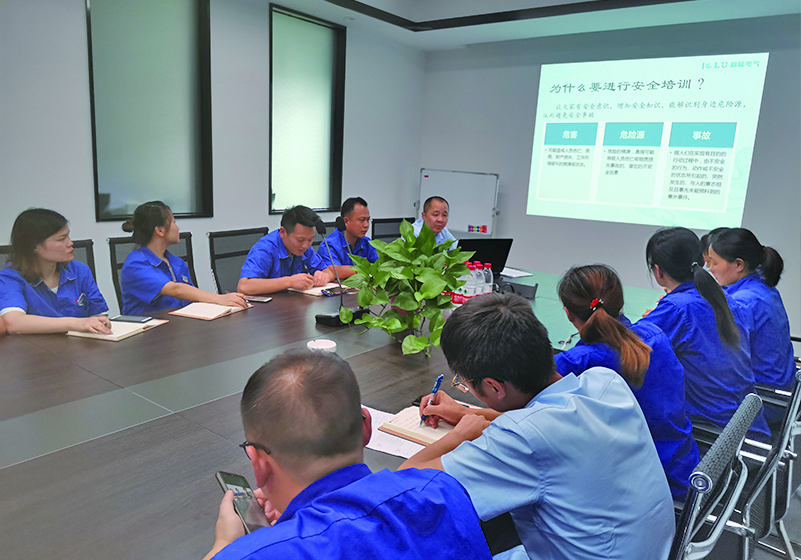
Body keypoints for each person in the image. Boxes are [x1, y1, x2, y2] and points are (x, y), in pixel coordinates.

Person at [400, 294, 675, 560]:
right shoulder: (605, 382)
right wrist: (466, 412)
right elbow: (548, 419)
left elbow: (403, 483)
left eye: (464, 382)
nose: (465, 388)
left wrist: (460, 435)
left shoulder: (522, 439)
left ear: (493, 386)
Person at [202, 349, 492, 560]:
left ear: (259, 465)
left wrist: (223, 546)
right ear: (367, 427)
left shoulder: (254, 554)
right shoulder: (444, 490)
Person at [555, 264, 699, 499]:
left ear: (568, 313)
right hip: (684, 468)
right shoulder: (654, 335)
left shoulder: (577, 363)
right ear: (620, 302)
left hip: (648, 488)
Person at [638, 227, 770, 439]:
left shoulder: (677, 308)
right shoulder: (725, 299)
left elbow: (624, 347)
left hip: (715, 437)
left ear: (658, 271)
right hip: (750, 427)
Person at [121, 201, 247, 315]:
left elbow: (192, 298)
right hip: (148, 330)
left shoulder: (177, 262)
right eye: (174, 222)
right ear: (160, 230)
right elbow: (174, 289)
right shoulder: (135, 264)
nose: (178, 228)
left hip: (178, 325)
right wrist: (219, 298)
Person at [708, 228, 796, 391]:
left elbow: (724, 361)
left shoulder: (742, 302)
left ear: (738, 264)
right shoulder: (762, 287)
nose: (710, 268)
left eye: (714, 262)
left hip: (761, 394)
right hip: (781, 387)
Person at [0, 208, 112, 335]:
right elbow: (14, 323)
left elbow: (99, 314)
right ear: (34, 247)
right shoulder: (11, 277)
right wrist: (76, 323)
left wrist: (101, 322)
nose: (70, 243)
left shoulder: (80, 270)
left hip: (80, 345)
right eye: (61, 239)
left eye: (68, 236)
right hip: (36, 346)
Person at [238, 205, 348, 294]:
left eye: (310, 239)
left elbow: (329, 271)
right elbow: (244, 286)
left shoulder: (305, 248)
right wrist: (289, 282)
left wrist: (324, 276)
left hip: (293, 305)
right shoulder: (265, 249)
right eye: (300, 240)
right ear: (283, 232)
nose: (305, 245)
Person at [316, 197, 378, 279]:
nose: (366, 225)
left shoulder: (367, 243)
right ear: (346, 221)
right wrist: (363, 271)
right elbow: (334, 271)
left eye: (368, 220)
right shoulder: (328, 245)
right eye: (362, 220)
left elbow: (379, 268)